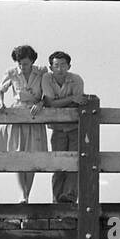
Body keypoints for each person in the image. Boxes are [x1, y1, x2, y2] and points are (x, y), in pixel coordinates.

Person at [0, 45, 48, 203]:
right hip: (18, 114)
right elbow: (1, 90)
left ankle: (28, 193)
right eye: (19, 63)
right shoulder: (12, 73)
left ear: (32, 61)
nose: (22, 66)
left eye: (25, 63)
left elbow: (48, 93)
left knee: (32, 155)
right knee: (18, 154)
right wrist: (1, 102)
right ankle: (23, 194)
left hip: (35, 115)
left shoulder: (41, 72)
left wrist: (40, 104)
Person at [41, 51, 86, 204]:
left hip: (74, 127)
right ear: (51, 67)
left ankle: (70, 196)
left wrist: (64, 101)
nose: (59, 68)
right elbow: (50, 102)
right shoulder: (46, 78)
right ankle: (57, 199)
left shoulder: (76, 79)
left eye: (63, 65)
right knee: (58, 164)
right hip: (57, 128)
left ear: (69, 66)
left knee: (74, 163)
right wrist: (71, 98)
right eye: (56, 65)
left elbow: (78, 102)